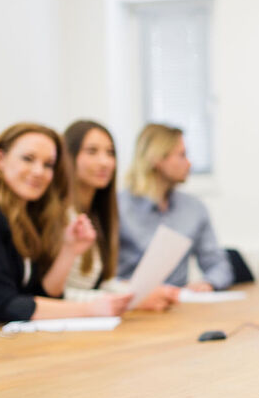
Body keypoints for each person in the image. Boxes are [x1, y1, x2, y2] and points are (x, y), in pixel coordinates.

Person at [0, 123, 131, 331]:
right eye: (28, 159)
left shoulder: (29, 219)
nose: (38, 171)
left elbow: (39, 297)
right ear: (0, 160)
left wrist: (70, 250)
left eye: (48, 165)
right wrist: (90, 309)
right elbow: (7, 305)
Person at [62, 120, 179, 310]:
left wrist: (139, 294)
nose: (105, 162)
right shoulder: (61, 216)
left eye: (110, 153)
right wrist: (131, 301)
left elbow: (103, 283)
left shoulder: (99, 213)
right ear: (68, 157)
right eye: (92, 151)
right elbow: (55, 294)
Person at [117, 123, 232, 291]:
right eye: (182, 155)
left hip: (177, 305)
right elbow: (100, 277)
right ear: (157, 158)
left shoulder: (194, 209)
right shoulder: (118, 208)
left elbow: (219, 265)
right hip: (132, 306)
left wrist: (207, 284)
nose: (189, 163)